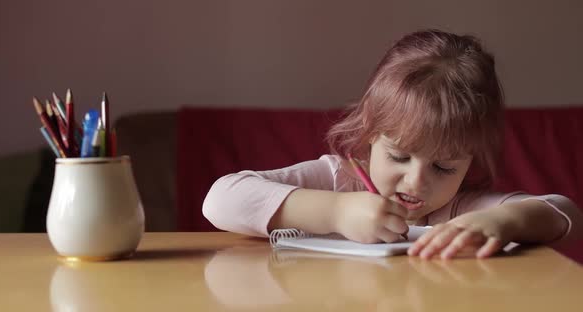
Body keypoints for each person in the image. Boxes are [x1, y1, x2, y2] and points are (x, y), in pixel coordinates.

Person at [202, 29, 582, 259]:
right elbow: (220, 200)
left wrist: (502, 222)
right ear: (369, 135)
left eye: (444, 167)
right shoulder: (337, 179)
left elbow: (566, 215)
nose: (416, 182)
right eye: (399, 155)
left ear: (470, 163)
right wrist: (337, 213)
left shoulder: (458, 210)